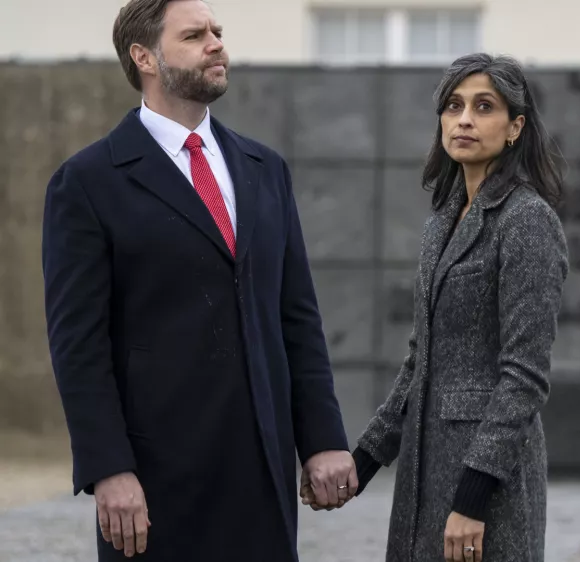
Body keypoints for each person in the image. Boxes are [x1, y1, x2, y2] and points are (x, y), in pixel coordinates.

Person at [40, 0, 358, 560]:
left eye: (217, 31)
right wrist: (108, 469)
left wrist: (324, 439)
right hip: (157, 484)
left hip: (262, 474)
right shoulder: (87, 183)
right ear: (144, 57)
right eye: (194, 35)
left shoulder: (266, 170)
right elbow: (77, 347)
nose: (215, 43)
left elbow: (297, 317)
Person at [302, 53, 569, 562]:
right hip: (423, 476)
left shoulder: (526, 221)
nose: (464, 118)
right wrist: (362, 463)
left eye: (483, 106)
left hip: (488, 486)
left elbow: (524, 376)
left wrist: (473, 498)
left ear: (515, 127)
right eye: (453, 105)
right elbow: (419, 363)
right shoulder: (441, 224)